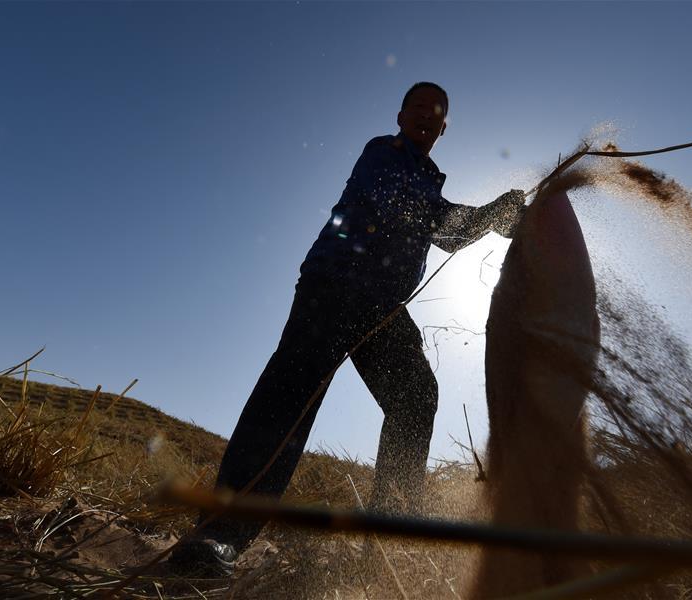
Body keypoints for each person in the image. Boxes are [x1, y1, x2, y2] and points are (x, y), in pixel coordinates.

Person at [169, 82, 526, 576]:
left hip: (381, 307)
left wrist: (495, 217)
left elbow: (446, 229)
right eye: (418, 107)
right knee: (290, 397)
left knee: (415, 397)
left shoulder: (431, 181)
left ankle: (386, 545)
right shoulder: (381, 153)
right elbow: (406, 208)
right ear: (400, 117)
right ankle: (218, 534)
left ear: (444, 128)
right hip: (334, 287)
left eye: (436, 112)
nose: (426, 115)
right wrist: (486, 216)